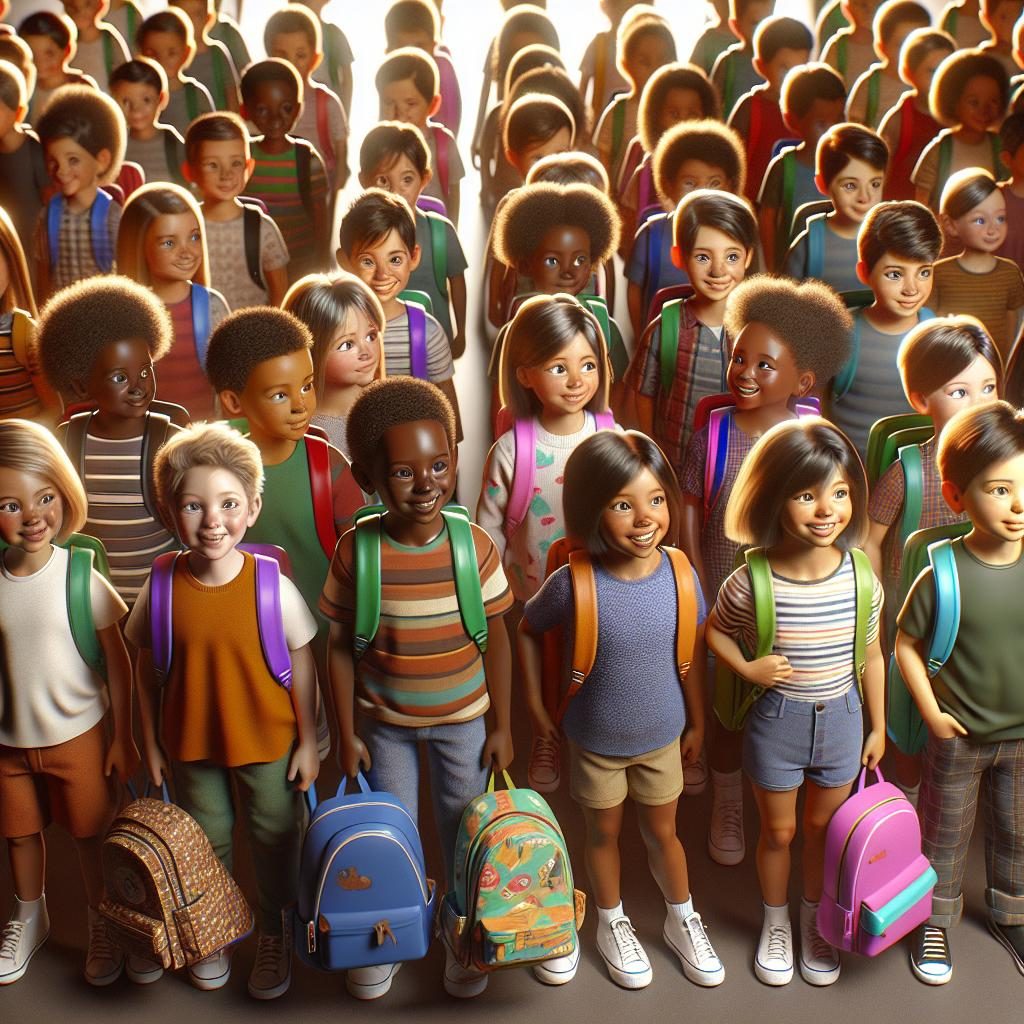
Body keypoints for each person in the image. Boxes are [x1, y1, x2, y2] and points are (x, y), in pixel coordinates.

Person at [321, 377, 514, 1000]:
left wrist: (504, 726)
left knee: (464, 825)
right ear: (369, 476)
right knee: (392, 829)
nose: (427, 484)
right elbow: (338, 646)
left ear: (455, 457)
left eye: (439, 465)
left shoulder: (473, 547)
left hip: (464, 718)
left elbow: (500, 640)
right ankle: (390, 930)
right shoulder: (358, 552)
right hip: (384, 723)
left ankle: (462, 931)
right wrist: (347, 734)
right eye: (404, 472)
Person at [520, 429, 724, 990]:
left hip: (663, 735)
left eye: (656, 500)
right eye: (622, 504)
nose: (644, 518)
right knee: (602, 834)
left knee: (666, 833)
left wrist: (699, 721)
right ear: (591, 509)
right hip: (594, 741)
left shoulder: (681, 575)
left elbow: (692, 656)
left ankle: (683, 918)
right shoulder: (575, 581)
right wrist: (537, 707)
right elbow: (528, 628)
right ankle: (611, 921)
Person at [126, 421, 319, 998]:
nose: (212, 520)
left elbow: (302, 665)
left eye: (228, 503)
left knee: (277, 835)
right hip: (190, 743)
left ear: (253, 507)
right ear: (169, 512)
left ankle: (275, 926)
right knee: (206, 838)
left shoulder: (271, 586)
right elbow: (145, 670)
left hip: (268, 742)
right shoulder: (160, 586)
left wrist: (309, 740)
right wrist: (150, 743)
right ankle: (213, 928)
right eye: (193, 505)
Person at [706, 417, 886, 987]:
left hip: (843, 721)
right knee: (778, 833)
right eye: (807, 495)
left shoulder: (862, 578)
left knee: (823, 831)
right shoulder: (753, 580)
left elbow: (873, 657)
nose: (827, 508)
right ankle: (776, 919)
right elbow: (711, 631)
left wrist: (879, 727)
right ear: (774, 498)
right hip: (776, 723)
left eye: (838, 493)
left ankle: (814, 916)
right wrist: (746, 665)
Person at [0, 418, 136, 986]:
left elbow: (121, 664)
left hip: (79, 734)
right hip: (8, 742)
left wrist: (124, 737)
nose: (33, 516)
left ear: (64, 492)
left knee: (89, 836)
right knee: (19, 834)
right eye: (10, 504)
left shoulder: (79, 574)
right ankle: (31, 915)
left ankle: (101, 919)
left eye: (45, 497)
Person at [895, 400, 1024, 985]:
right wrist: (932, 714)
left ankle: (1011, 911)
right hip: (957, 736)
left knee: (1017, 831)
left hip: (1021, 737)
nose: (1018, 505)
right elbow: (904, 644)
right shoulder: (942, 569)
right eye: (999, 489)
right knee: (943, 838)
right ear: (954, 496)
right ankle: (933, 921)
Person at [36, 275, 181, 606]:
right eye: (119, 377)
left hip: (161, 600)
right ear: (82, 386)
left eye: (145, 371)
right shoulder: (66, 442)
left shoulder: (171, 441)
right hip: (90, 603)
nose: (138, 386)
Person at [116, 182, 229, 420]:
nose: (187, 252)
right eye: (169, 242)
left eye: (194, 237)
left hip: (205, 436)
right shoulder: (122, 314)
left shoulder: (212, 307)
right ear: (138, 246)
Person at [183, 112, 290, 309]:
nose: (226, 175)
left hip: (253, 334)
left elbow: (281, 296)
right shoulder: (184, 227)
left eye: (236, 163)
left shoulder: (261, 228)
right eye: (212, 165)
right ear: (190, 171)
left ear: (248, 168)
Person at [34, 84, 125, 300]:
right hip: (60, 311)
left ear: (102, 160)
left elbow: (126, 270)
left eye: (73, 160)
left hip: (105, 310)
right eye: (53, 161)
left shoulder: (112, 216)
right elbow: (43, 271)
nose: (62, 171)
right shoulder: (47, 216)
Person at [282, 271, 386, 459]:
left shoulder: (388, 411)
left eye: (371, 336)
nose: (367, 352)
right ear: (310, 352)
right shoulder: (300, 432)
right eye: (347, 345)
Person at [931, 168, 1024, 362]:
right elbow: (929, 326)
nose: (993, 229)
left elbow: (1012, 330)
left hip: (996, 369)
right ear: (950, 224)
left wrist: (1006, 368)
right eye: (980, 220)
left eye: (1000, 218)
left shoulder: (1009, 274)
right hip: (950, 364)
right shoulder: (939, 273)